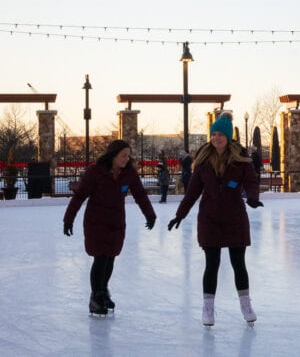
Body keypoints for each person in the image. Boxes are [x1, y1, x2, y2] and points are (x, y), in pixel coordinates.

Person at [167, 113, 263, 327]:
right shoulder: (202, 163)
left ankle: (246, 305)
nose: (217, 138)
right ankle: (208, 308)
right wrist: (179, 215)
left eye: (221, 134)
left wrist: (254, 199)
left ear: (228, 137)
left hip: (235, 218)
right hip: (210, 219)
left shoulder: (241, 162)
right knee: (212, 264)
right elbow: (192, 193)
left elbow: (251, 183)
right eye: (214, 134)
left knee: (239, 264)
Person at [62, 139, 157, 316]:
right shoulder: (95, 172)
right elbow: (80, 196)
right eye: (123, 156)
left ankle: (103, 291)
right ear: (113, 155)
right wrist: (68, 219)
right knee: (100, 258)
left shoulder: (129, 174)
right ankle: (95, 297)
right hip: (96, 222)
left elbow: (140, 195)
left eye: (128, 156)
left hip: (116, 222)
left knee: (111, 257)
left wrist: (150, 214)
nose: (126, 159)